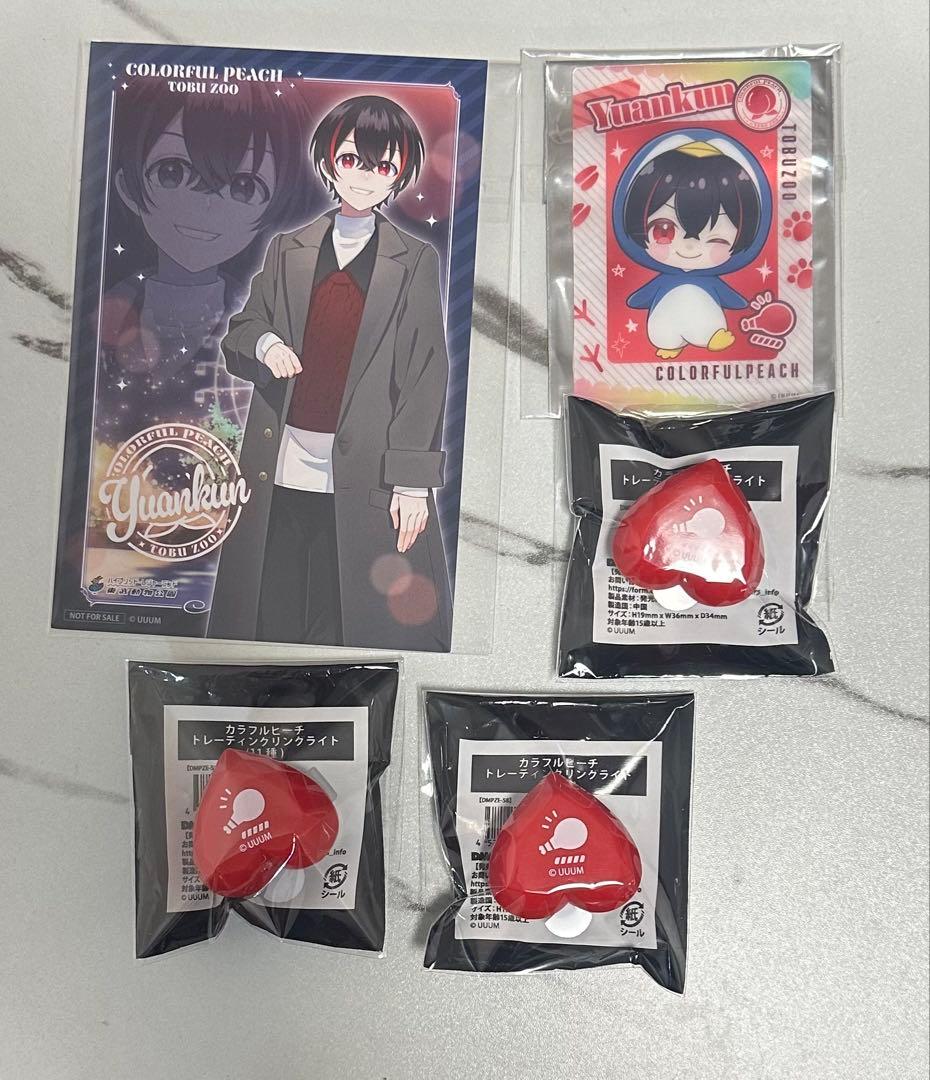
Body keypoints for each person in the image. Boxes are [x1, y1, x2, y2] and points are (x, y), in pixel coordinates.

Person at [208, 95, 453, 651]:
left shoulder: (414, 259)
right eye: (351, 160)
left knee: (348, 608)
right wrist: (267, 343)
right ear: (328, 163)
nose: (364, 177)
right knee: (272, 601)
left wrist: (411, 482)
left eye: (382, 166)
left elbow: (424, 370)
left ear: (399, 177)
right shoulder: (287, 248)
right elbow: (242, 330)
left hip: (368, 466)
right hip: (281, 452)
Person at [613, 129, 771, 359]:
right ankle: (669, 343)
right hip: (662, 332)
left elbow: (729, 297)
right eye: (664, 230)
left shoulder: (709, 280)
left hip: (710, 337)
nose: (689, 248)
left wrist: (739, 302)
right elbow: (641, 297)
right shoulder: (666, 279)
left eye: (717, 239)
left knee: (706, 325)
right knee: (663, 333)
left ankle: (710, 337)